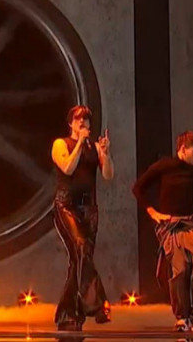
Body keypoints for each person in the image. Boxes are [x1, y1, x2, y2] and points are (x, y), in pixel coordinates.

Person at [132, 131, 193, 333]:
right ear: (183, 149)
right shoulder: (164, 166)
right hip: (172, 225)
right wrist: (152, 212)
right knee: (180, 271)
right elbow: (138, 188)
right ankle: (182, 318)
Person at [51, 105, 114, 331]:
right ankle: (98, 304)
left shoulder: (94, 147)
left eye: (85, 120)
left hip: (89, 209)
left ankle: (68, 316)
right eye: (78, 119)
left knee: (79, 260)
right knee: (80, 246)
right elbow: (67, 168)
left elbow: (108, 175)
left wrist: (105, 154)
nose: (82, 123)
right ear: (71, 123)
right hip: (66, 206)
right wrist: (79, 143)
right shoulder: (61, 144)